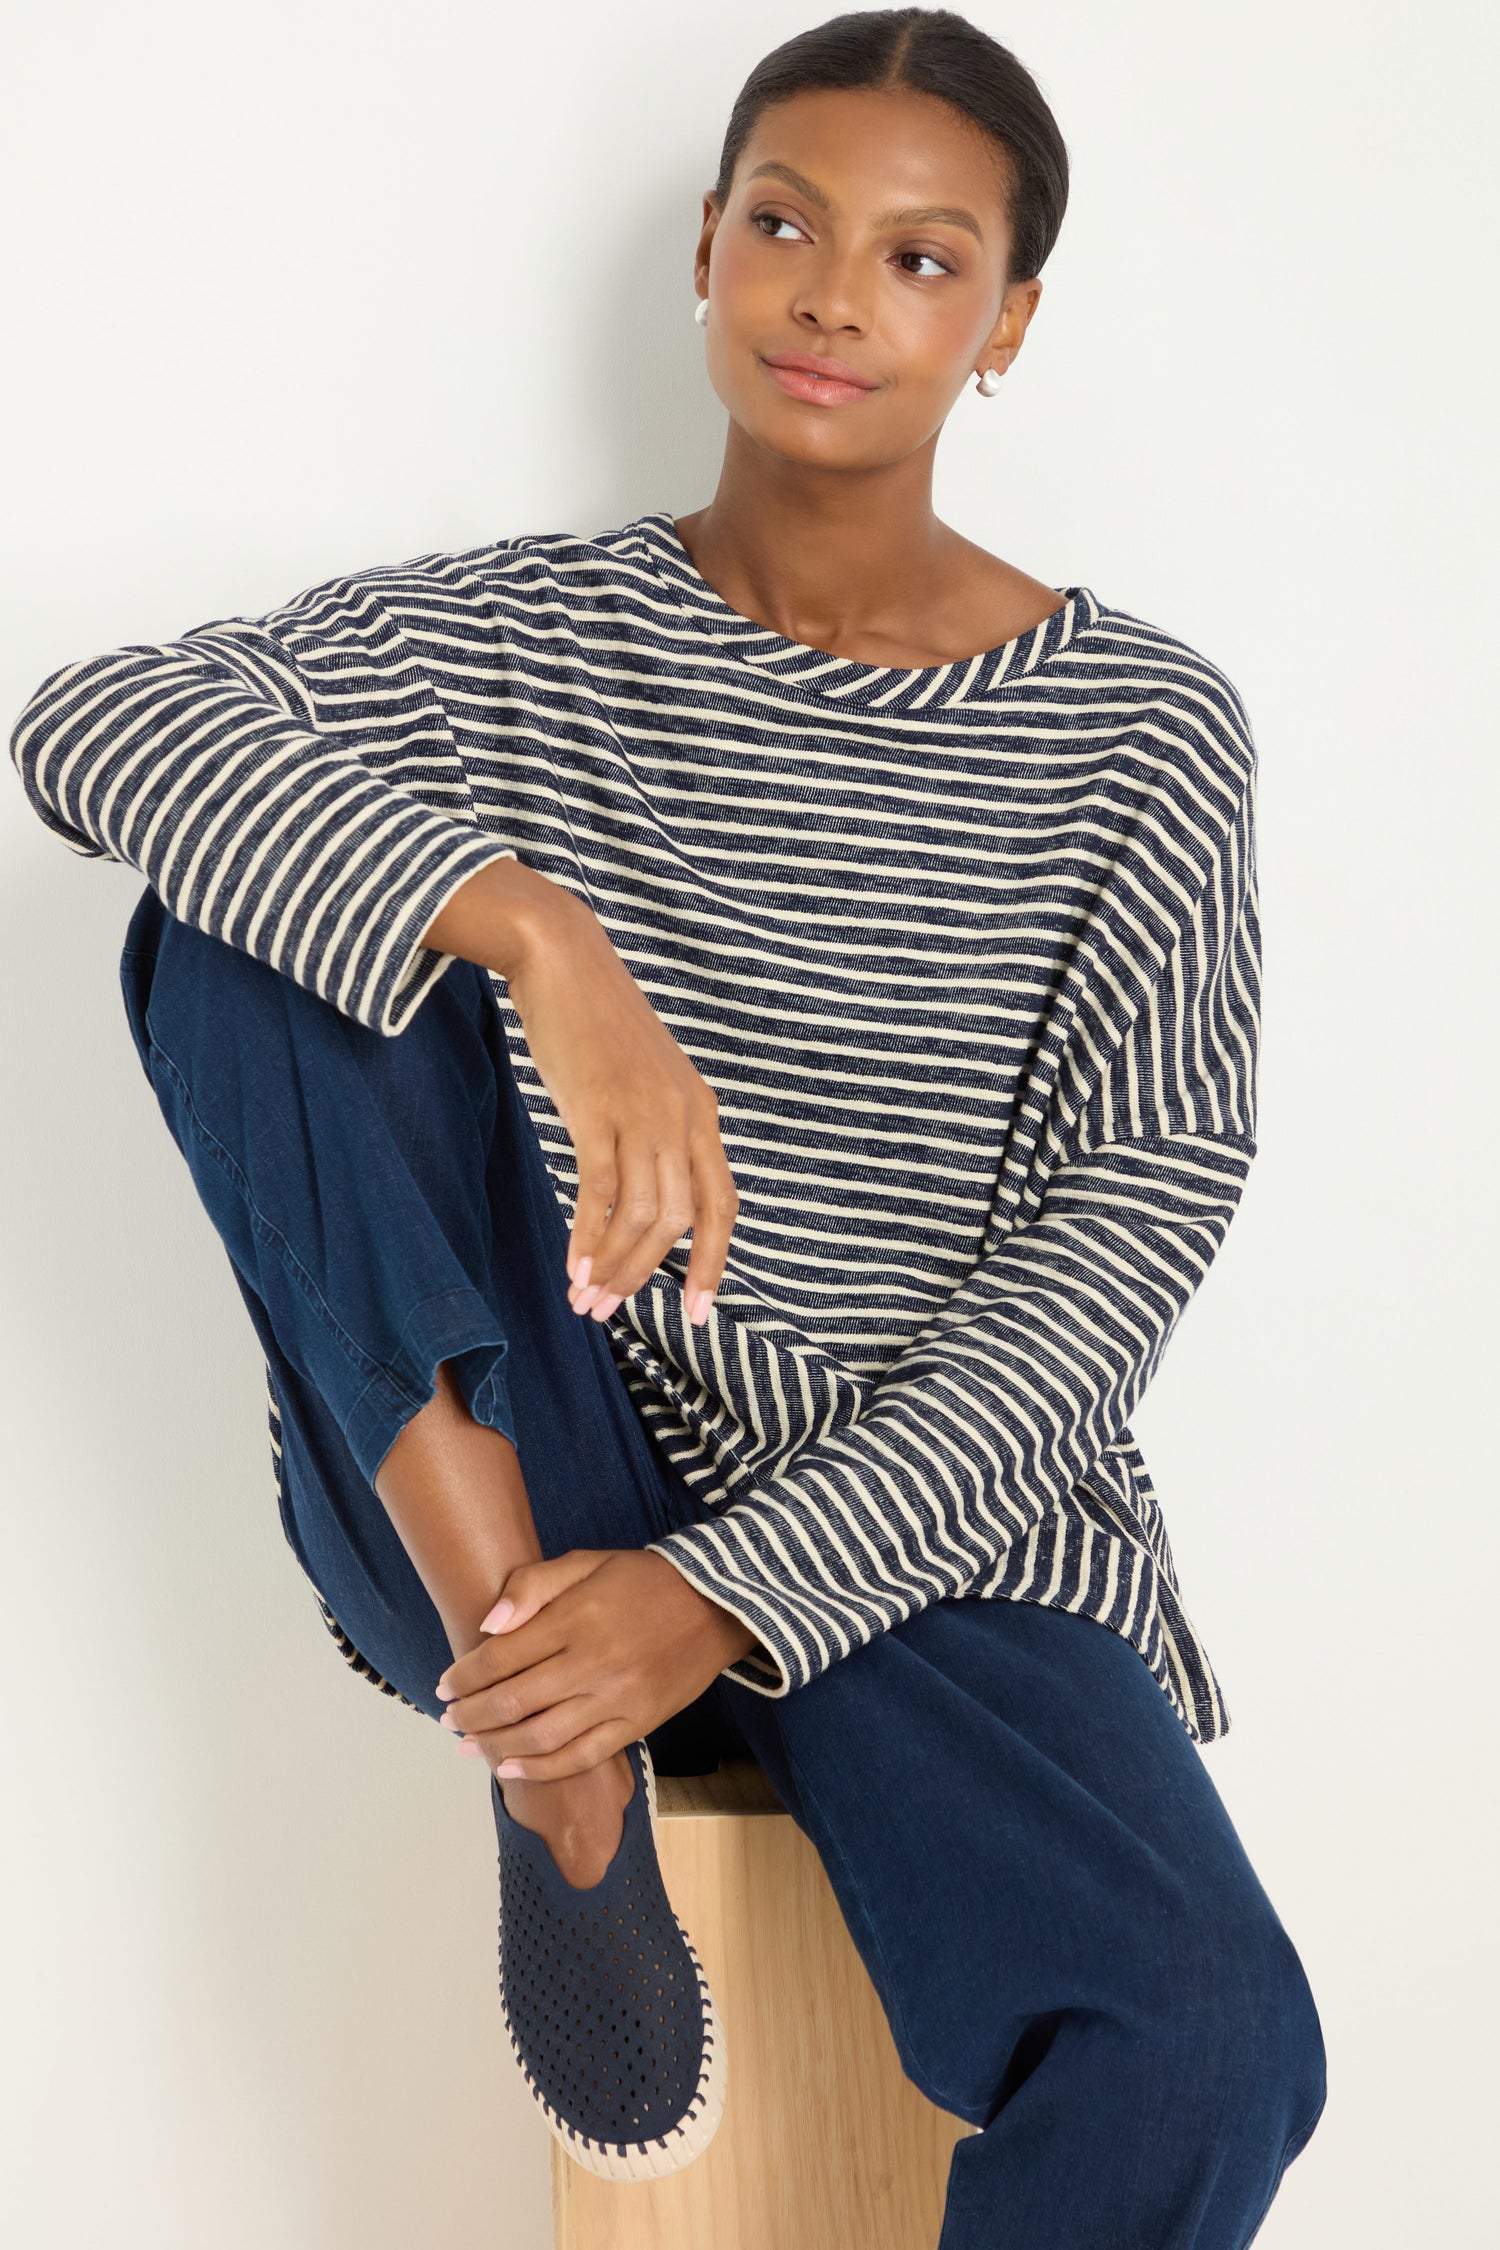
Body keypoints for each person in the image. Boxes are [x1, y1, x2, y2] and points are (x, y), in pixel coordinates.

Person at [8, 5, 1327, 2238]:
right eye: (788, 224)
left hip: (929, 1530)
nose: (832, 293)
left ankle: (584, 1694)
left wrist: (721, 1599)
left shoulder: (1140, 734)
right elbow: (95, 723)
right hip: (518, 1455)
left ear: (1009, 324)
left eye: (922, 259)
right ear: (704, 251)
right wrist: (528, 927)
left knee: (1208, 2044)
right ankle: (562, 1750)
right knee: (245, 928)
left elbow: (1123, 1242)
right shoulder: (515, 636)